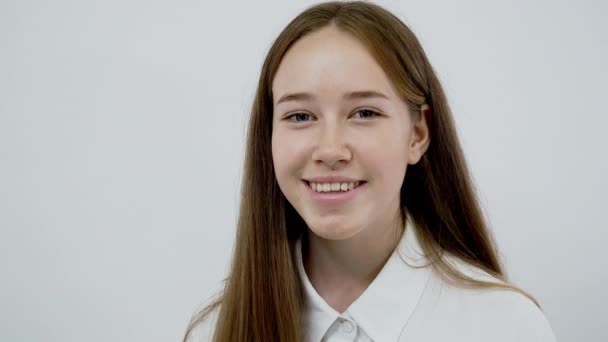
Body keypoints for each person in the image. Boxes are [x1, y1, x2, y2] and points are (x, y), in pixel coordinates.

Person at [184, 1, 557, 341]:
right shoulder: (214, 331)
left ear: (418, 134)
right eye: (300, 116)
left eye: (364, 113)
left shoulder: (506, 326)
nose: (330, 150)